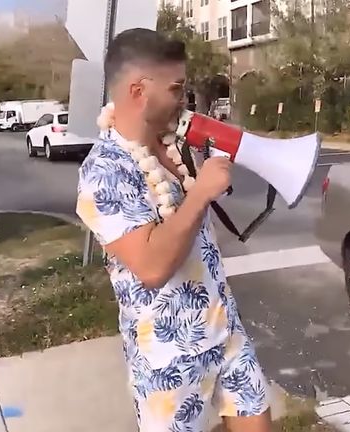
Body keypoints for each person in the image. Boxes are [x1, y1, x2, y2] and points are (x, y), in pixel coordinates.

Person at [76, 28, 272, 432]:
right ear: (138, 90)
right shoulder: (104, 172)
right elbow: (150, 266)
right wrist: (199, 194)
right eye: (176, 88)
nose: (184, 100)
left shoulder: (171, 148)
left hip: (224, 329)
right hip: (169, 356)